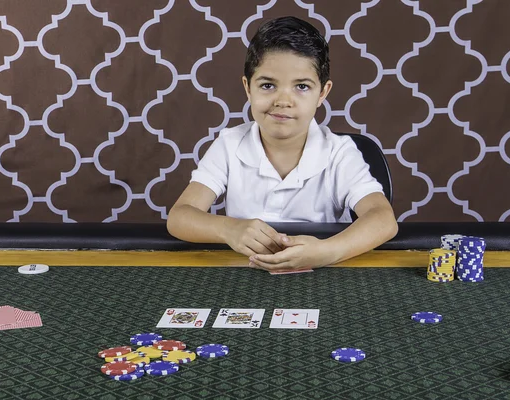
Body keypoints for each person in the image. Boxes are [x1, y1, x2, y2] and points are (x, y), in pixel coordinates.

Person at [167, 16, 398, 272]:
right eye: (267, 85)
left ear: (322, 93)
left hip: (324, 274)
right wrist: (228, 228)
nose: (283, 100)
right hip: (246, 273)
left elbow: (384, 220)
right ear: (248, 88)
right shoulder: (229, 144)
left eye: (301, 86)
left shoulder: (339, 152)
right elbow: (180, 216)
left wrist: (326, 252)